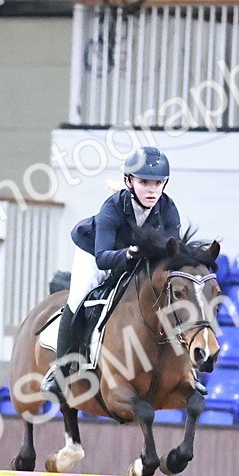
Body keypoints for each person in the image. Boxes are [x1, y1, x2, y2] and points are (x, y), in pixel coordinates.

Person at [41, 146, 183, 399]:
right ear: (129, 182)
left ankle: (183, 370)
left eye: (158, 183)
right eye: (144, 182)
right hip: (95, 253)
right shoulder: (113, 207)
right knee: (78, 298)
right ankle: (60, 371)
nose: (152, 190)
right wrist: (128, 253)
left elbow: (173, 252)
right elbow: (102, 258)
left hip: (135, 259)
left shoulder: (168, 209)